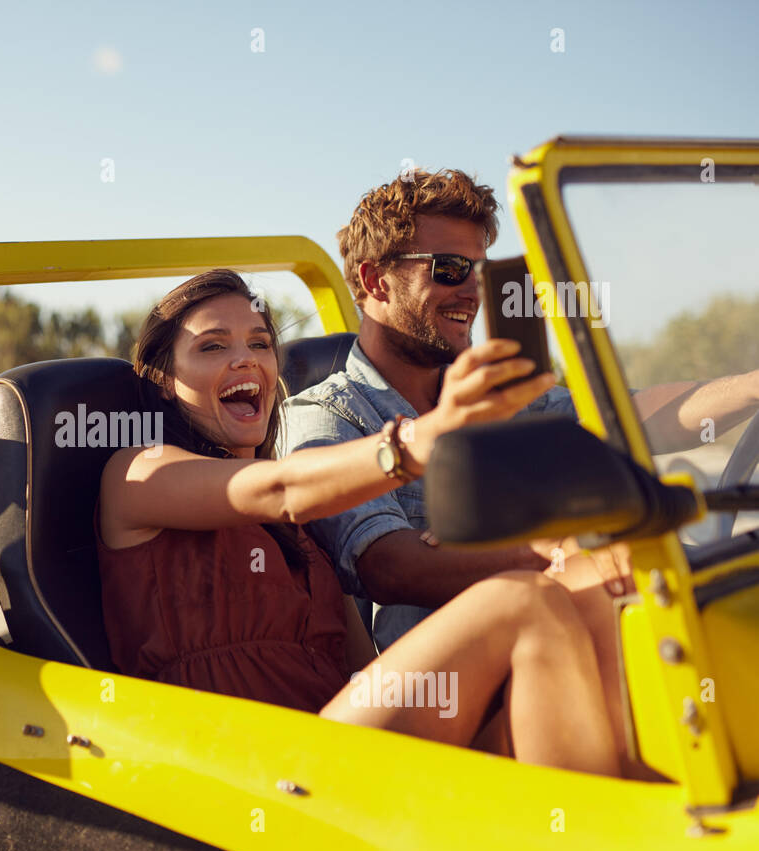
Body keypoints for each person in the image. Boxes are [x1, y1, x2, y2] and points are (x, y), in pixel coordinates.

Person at [96, 269, 622, 777]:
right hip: (244, 768)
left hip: (342, 748)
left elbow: (361, 670)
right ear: (163, 380)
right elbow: (281, 490)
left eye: (259, 344)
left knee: (590, 582)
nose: (245, 360)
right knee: (521, 602)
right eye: (213, 346)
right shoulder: (139, 474)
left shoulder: (299, 533)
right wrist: (429, 435)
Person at [281, 168, 759, 651]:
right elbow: (392, 567)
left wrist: (752, 387)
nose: (472, 291)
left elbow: (626, 418)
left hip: (565, 638)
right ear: (375, 281)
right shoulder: (327, 415)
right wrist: (560, 549)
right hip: (442, 696)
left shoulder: (494, 391)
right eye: (449, 268)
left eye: (480, 271)